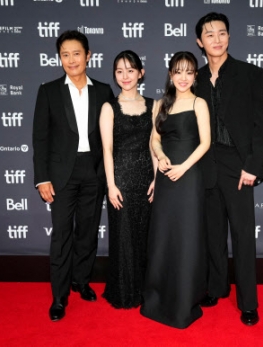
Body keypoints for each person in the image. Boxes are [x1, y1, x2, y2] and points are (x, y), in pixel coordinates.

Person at [32, 30, 114, 322]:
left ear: (88, 55)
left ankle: (81, 280)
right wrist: (42, 178)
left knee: (87, 232)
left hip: (93, 173)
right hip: (61, 175)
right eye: (64, 54)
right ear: (60, 58)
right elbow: (40, 139)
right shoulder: (49, 91)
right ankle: (59, 295)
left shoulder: (103, 90)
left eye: (76, 53)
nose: (71, 59)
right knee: (62, 235)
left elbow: (112, 137)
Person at [194, 12, 263, 326]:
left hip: (238, 165)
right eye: (209, 34)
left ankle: (248, 303)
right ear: (199, 42)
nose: (216, 39)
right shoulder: (192, 78)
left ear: (229, 36)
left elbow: (260, 124)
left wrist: (252, 165)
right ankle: (215, 287)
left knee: (241, 235)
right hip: (205, 164)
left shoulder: (250, 73)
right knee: (212, 233)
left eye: (221, 32)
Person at [141, 51, 211, 329]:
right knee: (163, 237)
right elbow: (154, 140)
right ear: (170, 74)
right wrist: (160, 160)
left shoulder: (199, 103)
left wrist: (183, 167)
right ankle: (158, 299)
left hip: (189, 177)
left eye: (189, 72)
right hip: (166, 177)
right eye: (178, 71)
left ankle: (184, 301)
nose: (183, 77)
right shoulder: (160, 104)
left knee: (187, 237)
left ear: (195, 76)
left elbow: (205, 143)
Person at [99, 50, 157, 309]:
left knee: (145, 237)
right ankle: (123, 292)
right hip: (120, 180)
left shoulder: (153, 105)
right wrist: (111, 185)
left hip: (146, 180)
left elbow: (155, 145)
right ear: (114, 74)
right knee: (123, 238)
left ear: (140, 73)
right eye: (120, 71)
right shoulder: (109, 107)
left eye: (130, 70)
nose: (125, 76)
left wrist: (157, 179)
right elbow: (107, 149)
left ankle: (145, 291)